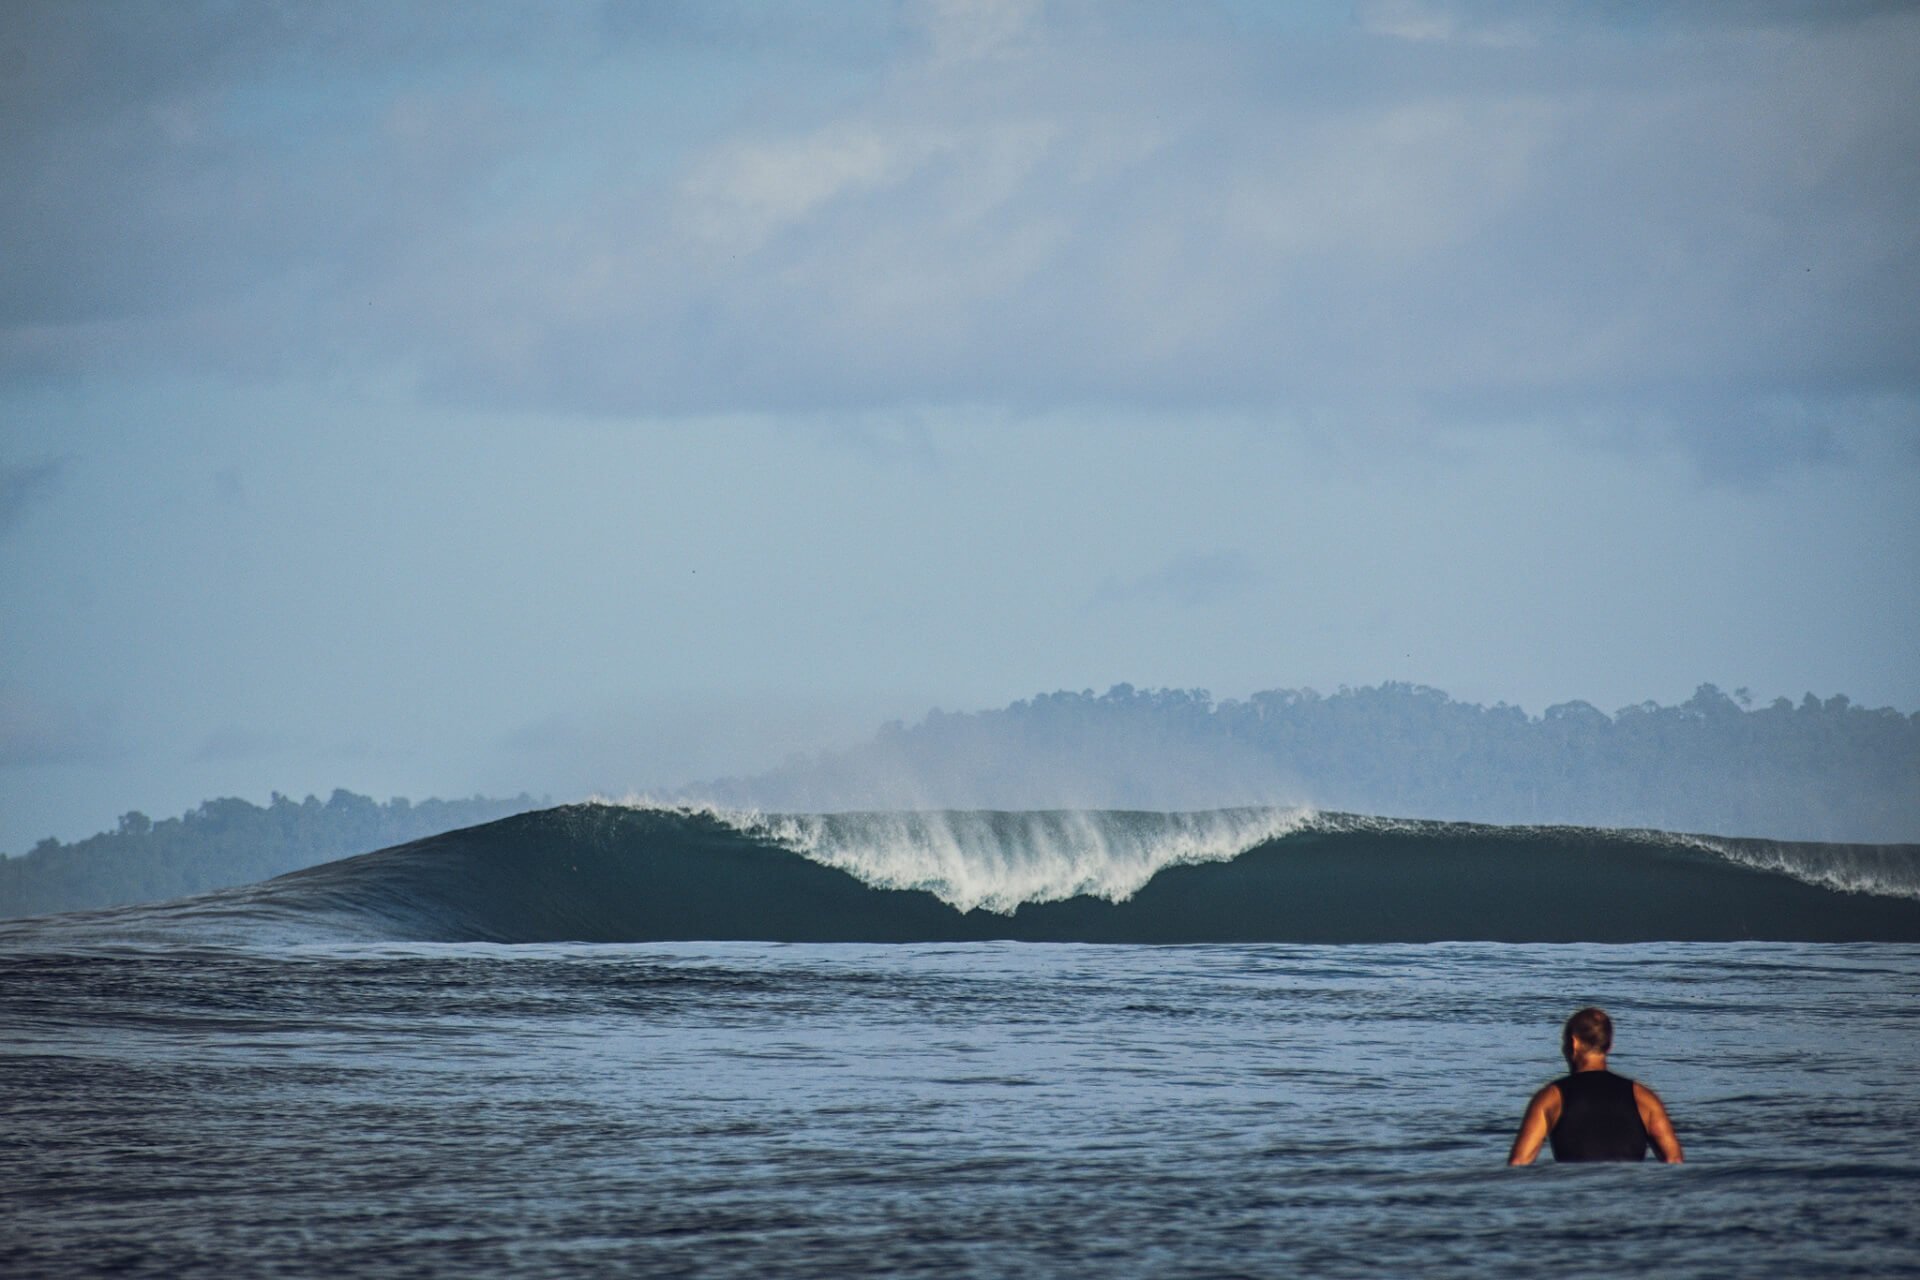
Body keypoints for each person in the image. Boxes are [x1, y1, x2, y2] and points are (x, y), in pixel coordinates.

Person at [1507, 1006, 1683, 1165]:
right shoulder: (1644, 1098)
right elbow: (1674, 1159)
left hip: (1575, 1195)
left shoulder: (1551, 1097)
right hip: (1629, 1197)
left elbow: (1519, 1161)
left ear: (1573, 1044)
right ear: (1609, 1046)